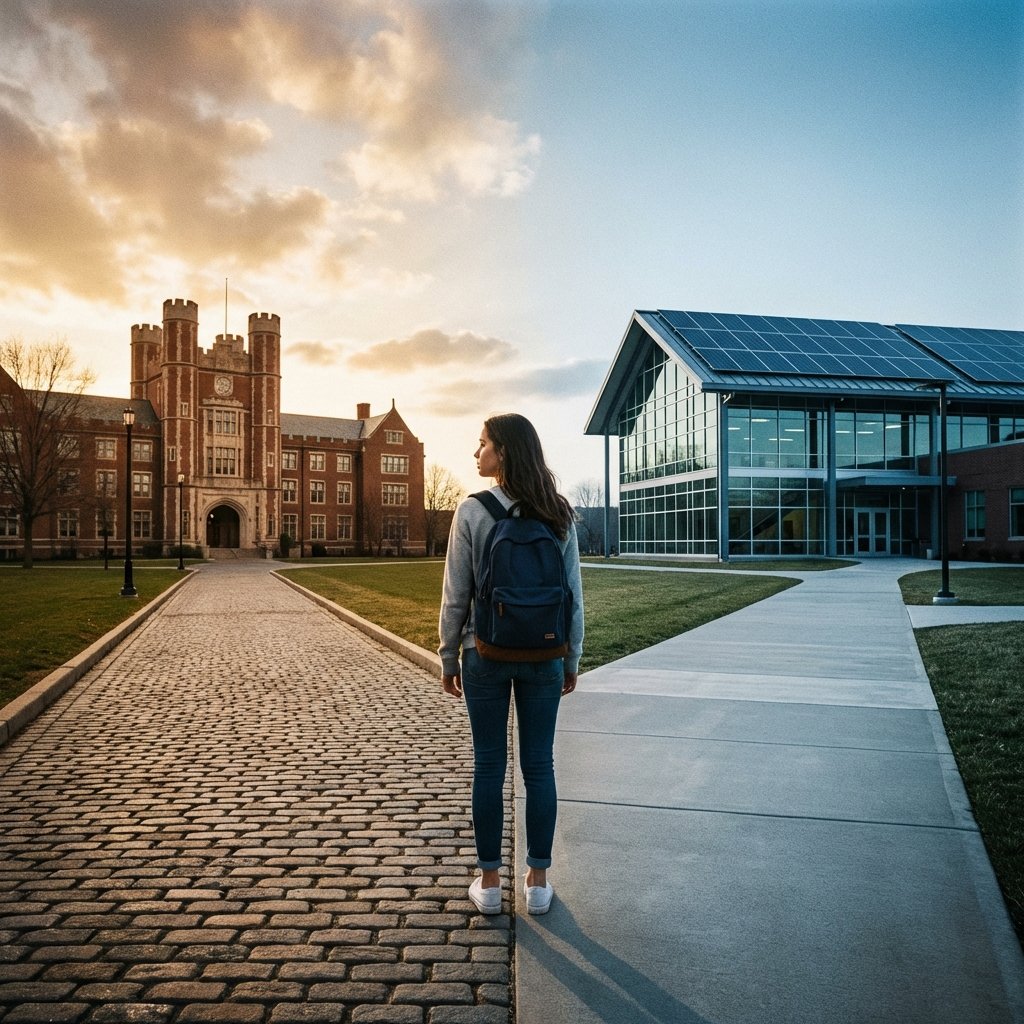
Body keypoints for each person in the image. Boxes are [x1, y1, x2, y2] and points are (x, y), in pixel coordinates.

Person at [439, 413, 584, 917]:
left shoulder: (472, 512)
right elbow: (573, 596)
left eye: (481, 445)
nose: (475, 454)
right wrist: (572, 657)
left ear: (502, 451)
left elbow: (456, 593)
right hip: (545, 655)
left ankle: (490, 883)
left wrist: (447, 654)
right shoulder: (557, 511)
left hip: (486, 652)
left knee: (488, 765)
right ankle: (538, 882)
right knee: (539, 766)